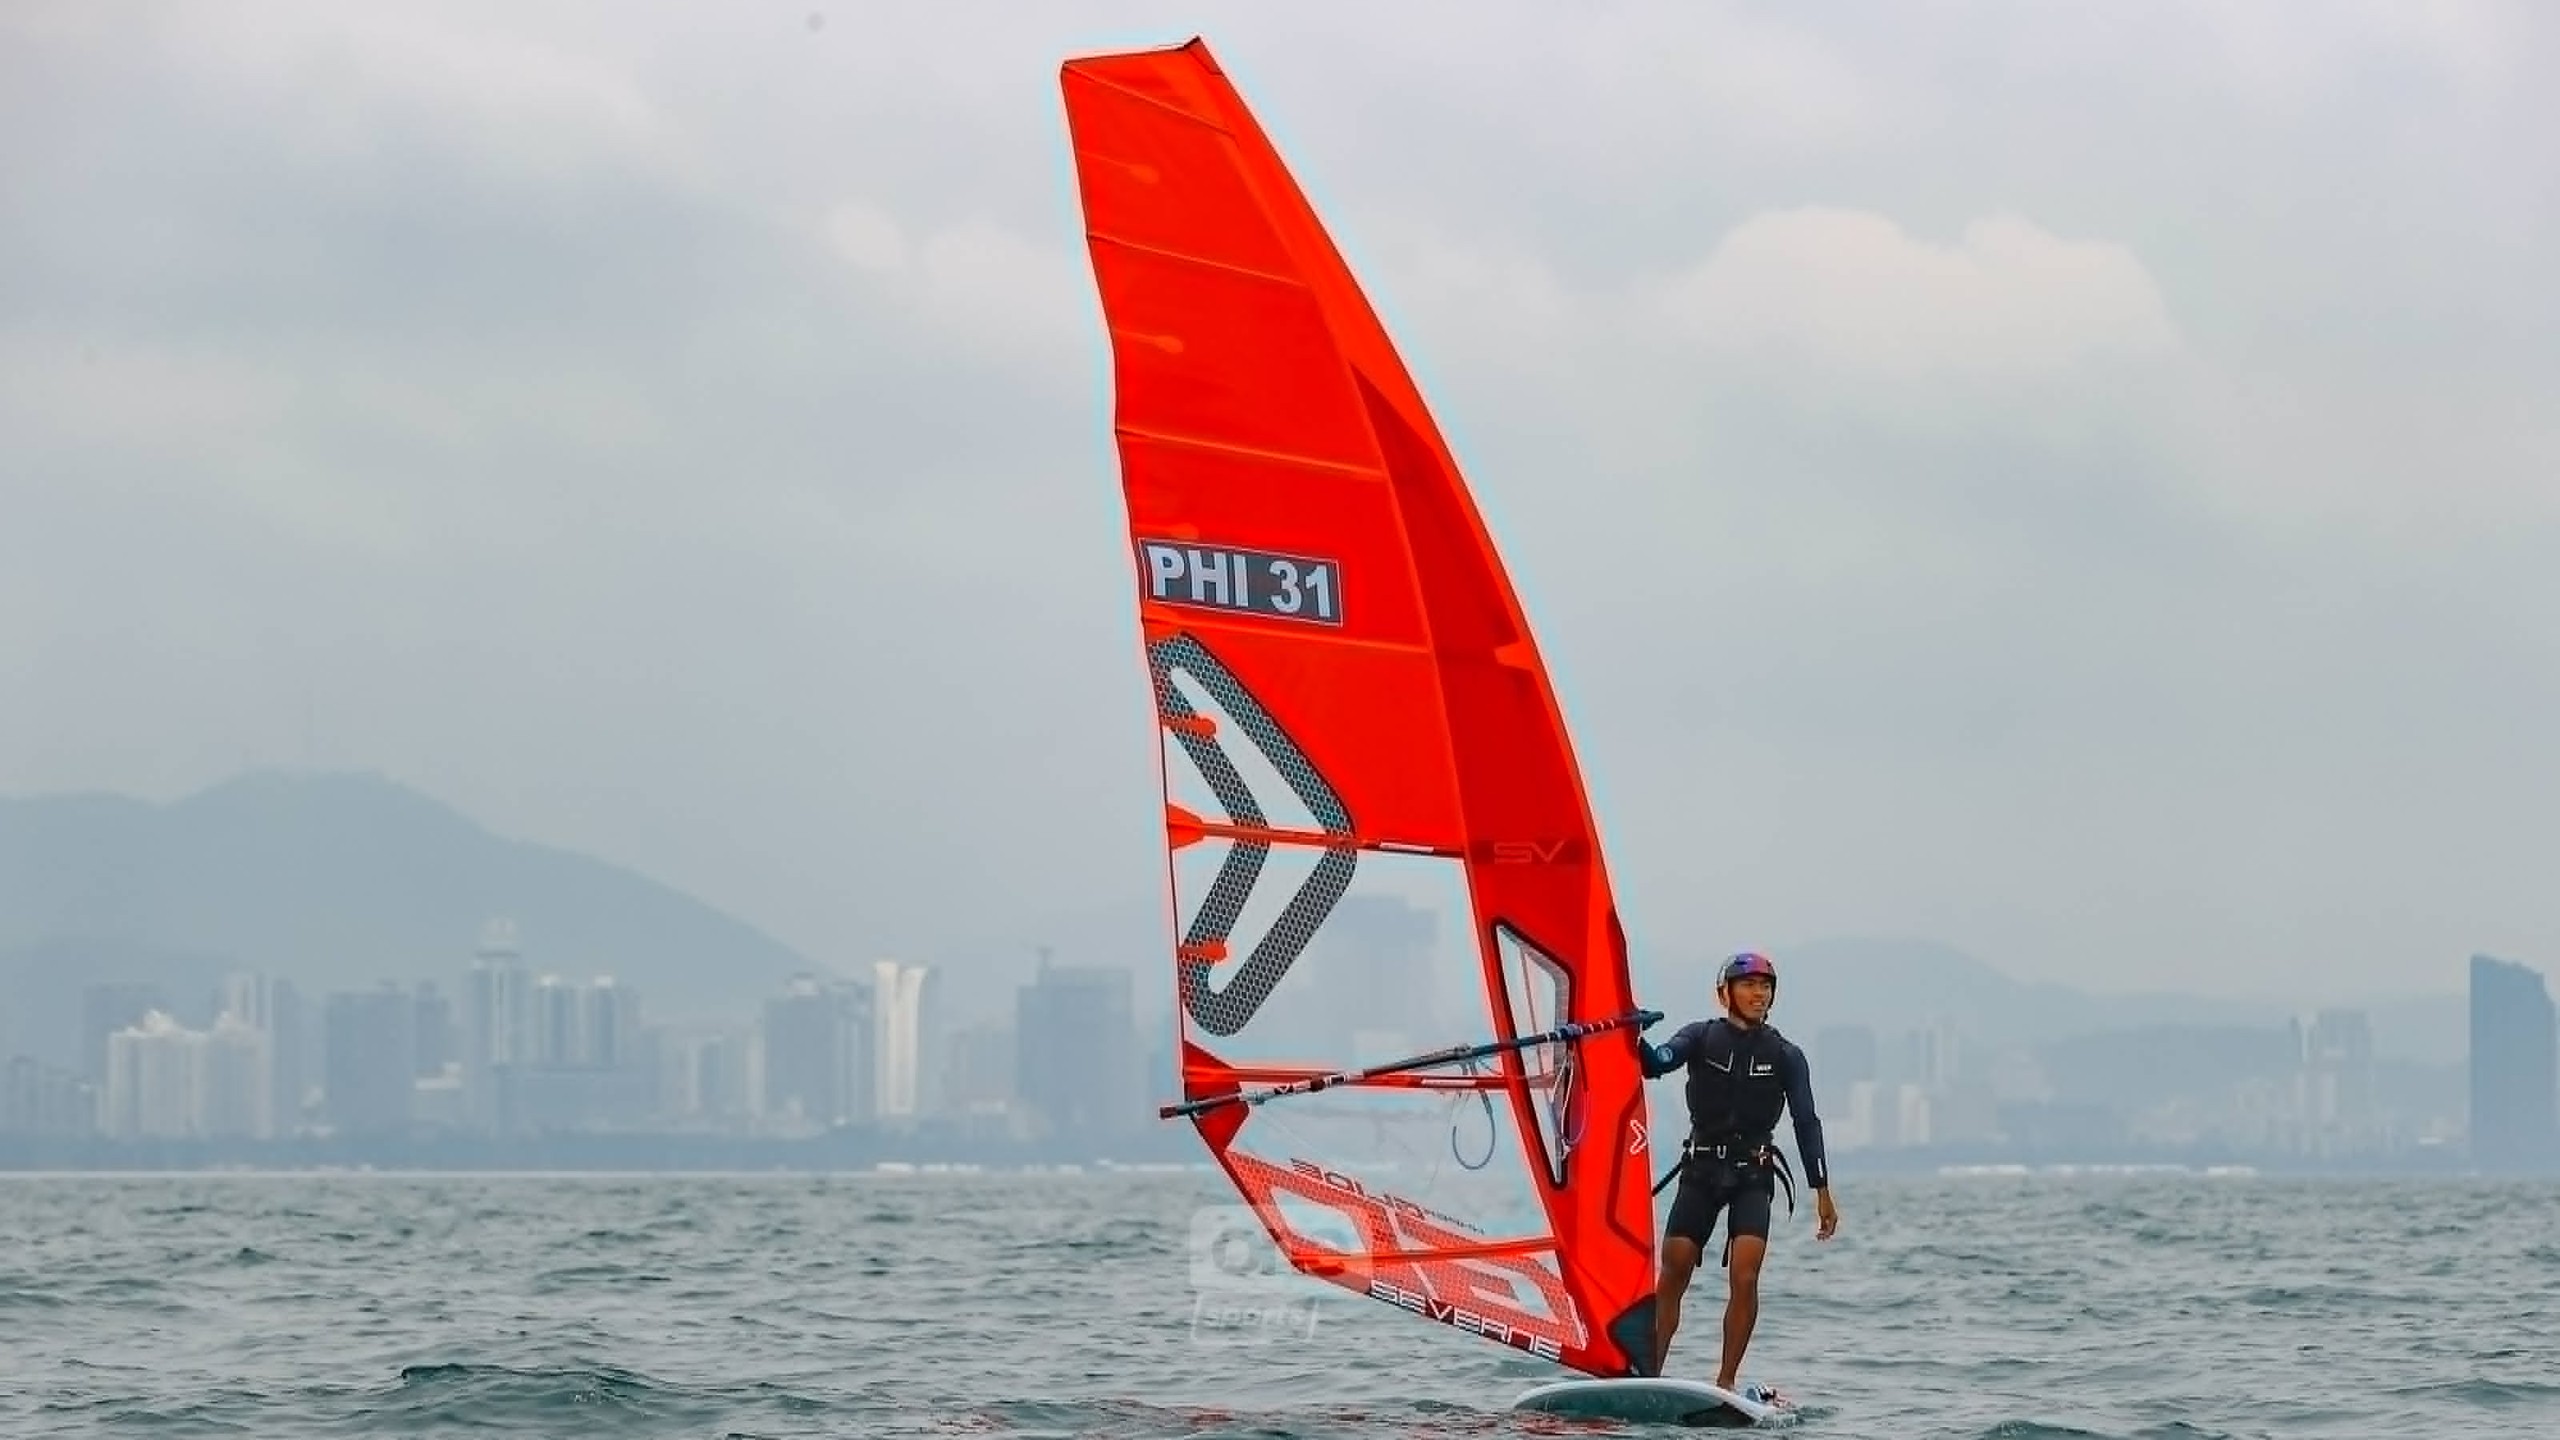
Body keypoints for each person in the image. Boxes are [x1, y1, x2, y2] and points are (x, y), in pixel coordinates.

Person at [1637, 950, 1838, 1389]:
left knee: (1745, 1276)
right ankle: (1647, 1375)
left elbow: (1806, 1121)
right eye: (1748, 985)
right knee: (1674, 1271)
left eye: (1765, 986)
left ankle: (1725, 1383)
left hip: (1753, 1174)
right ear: (1723, 993)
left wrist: (1820, 1189)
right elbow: (1656, 1063)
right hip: (1701, 1168)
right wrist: (1633, 1036)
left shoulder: (1787, 1055)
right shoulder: (1700, 1037)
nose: (1758, 993)